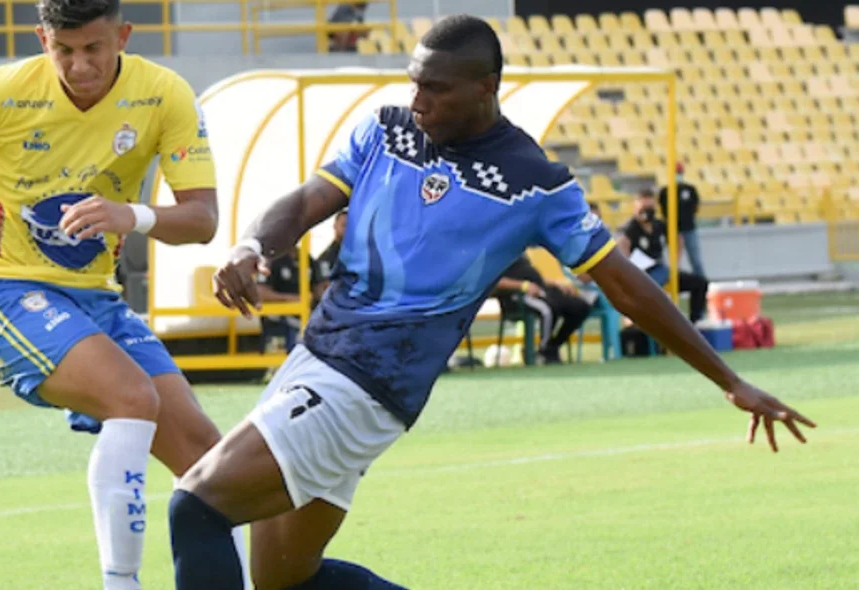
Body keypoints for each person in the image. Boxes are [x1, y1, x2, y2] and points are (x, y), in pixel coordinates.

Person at [169, 15, 816, 589]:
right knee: (284, 580)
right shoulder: (384, 128)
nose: (416, 100)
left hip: (365, 385)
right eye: (413, 82)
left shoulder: (533, 182)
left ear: (485, 87)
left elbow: (625, 286)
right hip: (314, 361)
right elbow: (310, 199)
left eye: (435, 88)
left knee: (195, 506)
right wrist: (250, 244)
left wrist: (727, 379)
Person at [0, 1, 250, 588]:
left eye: (93, 48)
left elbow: (201, 220)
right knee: (132, 398)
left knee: (212, 465)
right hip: (1, 287)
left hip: (97, 298)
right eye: (63, 50)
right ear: (43, 38)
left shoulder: (163, 94)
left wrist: (131, 215)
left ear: (122, 35)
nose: (79, 65)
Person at [618, 189, 709, 323]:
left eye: (650, 208)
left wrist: (674, 262)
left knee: (699, 282)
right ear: (635, 208)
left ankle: (695, 322)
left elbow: (678, 239)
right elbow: (622, 246)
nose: (647, 212)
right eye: (644, 208)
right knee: (653, 290)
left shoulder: (659, 225)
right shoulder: (629, 228)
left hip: (661, 271)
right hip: (641, 275)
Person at [493, 252, 593, 365]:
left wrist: (555, 283)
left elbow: (532, 277)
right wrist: (523, 286)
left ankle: (553, 346)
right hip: (516, 296)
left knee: (579, 307)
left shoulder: (518, 251)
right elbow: (494, 282)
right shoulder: (495, 254)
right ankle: (544, 350)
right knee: (548, 309)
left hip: (539, 289)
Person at [657, 162, 706, 277]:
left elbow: (695, 207)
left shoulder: (690, 189)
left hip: (689, 229)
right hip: (673, 230)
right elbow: (662, 210)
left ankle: (702, 284)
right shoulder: (665, 191)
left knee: (695, 260)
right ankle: (673, 284)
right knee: (674, 262)